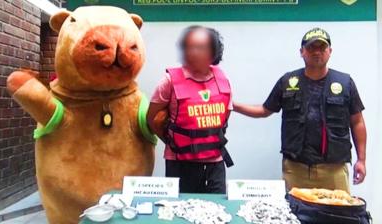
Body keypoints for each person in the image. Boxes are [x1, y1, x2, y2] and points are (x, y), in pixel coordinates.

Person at [233, 28, 366, 192]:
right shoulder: (288, 81)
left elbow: (357, 122)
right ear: (302, 52)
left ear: (330, 51)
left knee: (336, 215)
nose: (317, 52)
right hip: (296, 169)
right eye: (311, 47)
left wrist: (361, 160)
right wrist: (232, 106)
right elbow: (264, 110)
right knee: (294, 216)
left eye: (322, 48)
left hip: (334, 170)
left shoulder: (345, 82)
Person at [147, 26, 234, 194]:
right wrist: (173, 141)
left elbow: (224, 117)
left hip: (214, 161)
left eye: (201, 48)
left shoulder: (223, 80)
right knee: (180, 214)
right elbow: (152, 119)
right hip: (180, 162)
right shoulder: (169, 81)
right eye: (189, 47)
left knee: (215, 212)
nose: (194, 53)